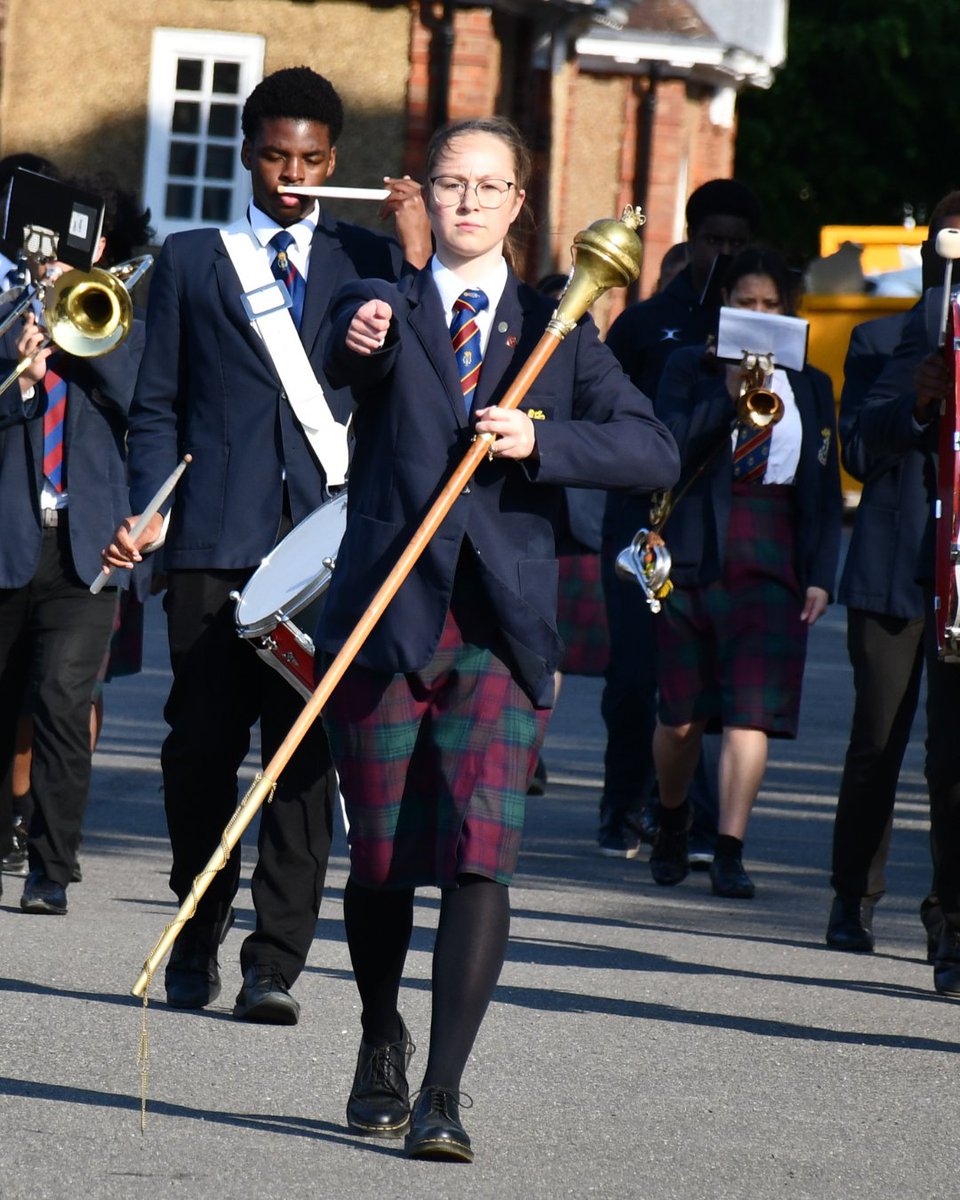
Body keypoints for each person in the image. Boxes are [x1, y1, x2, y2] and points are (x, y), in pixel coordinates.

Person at [317, 116, 679, 1162]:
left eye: (488, 186)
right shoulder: (378, 301)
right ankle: (381, 1035)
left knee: (481, 855)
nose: (467, 202)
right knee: (383, 860)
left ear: (523, 203)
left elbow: (650, 449)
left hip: (502, 628)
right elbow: (341, 349)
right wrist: (358, 339)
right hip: (389, 615)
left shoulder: (558, 333)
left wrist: (540, 439)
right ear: (423, 197)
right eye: (449, 184)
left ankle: (442, 1091)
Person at [101, 67, 431, 1023]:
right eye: (278, 156)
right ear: (249, 153)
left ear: (337, 162)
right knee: (197, 751)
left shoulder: (367, 255)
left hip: (327, 548)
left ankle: (274, 962)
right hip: (210, 542)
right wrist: (148, 505)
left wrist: (413, 256)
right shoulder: (196, 260)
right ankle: (197, 929)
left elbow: (418, 372)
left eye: (314, 159)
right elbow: (158, 404)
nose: (294, 174)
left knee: (302, 756)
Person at [649, 247, 842, 899]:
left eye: (770, 306)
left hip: (771, 552)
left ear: (787, 312)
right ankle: (673, 821)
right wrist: (727, 396)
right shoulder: (688, 367)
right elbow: (662, 453)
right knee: (679, 719)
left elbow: (819, 483)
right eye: (745, 303)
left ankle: (729, 846)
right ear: (723, 304)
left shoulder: (811, 384)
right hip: (696, 547)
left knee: (749, 714)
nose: (757, 315)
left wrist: (820, 573)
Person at [0, 172, 150, 914]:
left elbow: (142, 404)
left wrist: (78, 331)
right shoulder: (1, 315)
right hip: (9, 539)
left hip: (88, 546)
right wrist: (20, 377)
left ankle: (51, 870)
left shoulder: (120, 321)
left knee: (63, 698)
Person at [598, 181, 761, 859]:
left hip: (718, 527)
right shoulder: (643, 324)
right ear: (689, 239)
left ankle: (683, 816)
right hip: (643, 519)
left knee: (698, 687)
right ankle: (621, 804)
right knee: (635, 675)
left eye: (736, 241)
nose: (723, 252)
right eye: (713, 239)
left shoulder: (759, 324)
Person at [856, 208, 960, 993]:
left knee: (952, 757)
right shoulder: (890, 337)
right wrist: (918, 405)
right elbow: (859, 445)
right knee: (880, 737)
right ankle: (852, 894)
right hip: (897, 565)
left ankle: (949, 924)